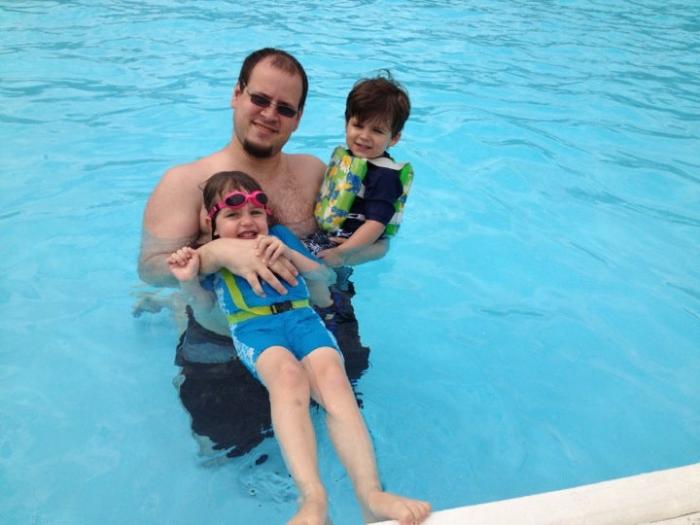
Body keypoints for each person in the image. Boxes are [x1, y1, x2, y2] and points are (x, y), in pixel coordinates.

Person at [138, 48, 430, 524]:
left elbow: (366, 241)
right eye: (259, 99)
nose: (269, 114)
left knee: (340, 396)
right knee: (228, 451)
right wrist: (217, 253)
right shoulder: (185, 182)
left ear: (298, 118)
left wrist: (339, 259)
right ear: (236, 94)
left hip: (313, 313)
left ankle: (366, 493)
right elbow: (152, 267)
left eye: (285, 108)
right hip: (227, 330)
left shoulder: (314, 173)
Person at [168, 171, 428, 525]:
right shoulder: (209, 256)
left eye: (255, 212)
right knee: (288, 378)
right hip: (254, 328)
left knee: (333, 379)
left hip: (303, 319)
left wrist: (289, 251)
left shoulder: (280, 237)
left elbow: (321, 276)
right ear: (211, 223)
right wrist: (188, 282)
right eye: (232, 215)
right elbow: (204, 307)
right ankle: (313, 501)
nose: (247, 221)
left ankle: (371, 495)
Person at [306, 73, 413, 285]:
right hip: (336, 234)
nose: (364, 136)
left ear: (394, 138)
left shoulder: (384, 177)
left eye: (377, 130)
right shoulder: (349, 160)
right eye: (358, 125)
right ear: (347, 124)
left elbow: (376, 224)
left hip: (352, 244)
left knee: (328, 281)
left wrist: (343, 253)